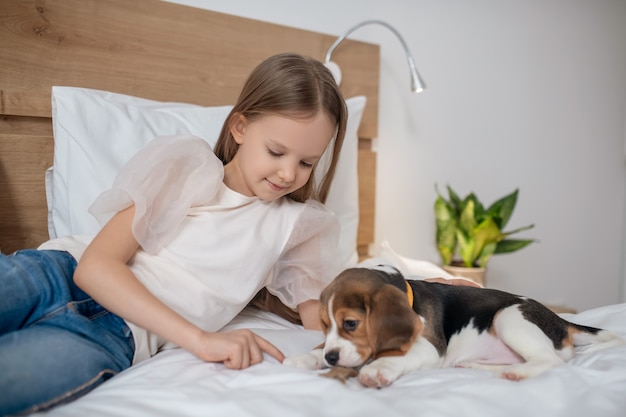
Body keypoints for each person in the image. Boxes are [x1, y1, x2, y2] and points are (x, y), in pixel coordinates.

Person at [0, 52, 477, 415]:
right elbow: (94, 268)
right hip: (53, 274)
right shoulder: (187, 168)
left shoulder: (297, 226)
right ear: (241, 126)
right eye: (276, 151)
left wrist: (425, 292)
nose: (290, 173)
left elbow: (324, 312)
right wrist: (200, 340)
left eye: (307, 162)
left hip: (115, 336)